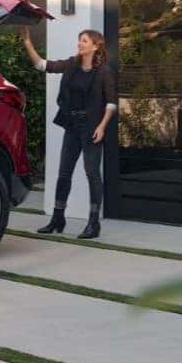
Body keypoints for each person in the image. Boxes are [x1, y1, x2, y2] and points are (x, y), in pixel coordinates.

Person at [19, 27, 116, 239]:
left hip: (92, 128)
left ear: (95, 45)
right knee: (64, 173)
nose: (79, 44)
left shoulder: (104, 71)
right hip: (73, 125)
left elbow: (111, 103)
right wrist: (28, 42)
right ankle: (57, 218)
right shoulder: (72, 64)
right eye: (79, 40)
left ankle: (93, 223)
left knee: (92, 173)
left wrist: (101, 126)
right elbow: (42, 65)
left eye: (83, 40)